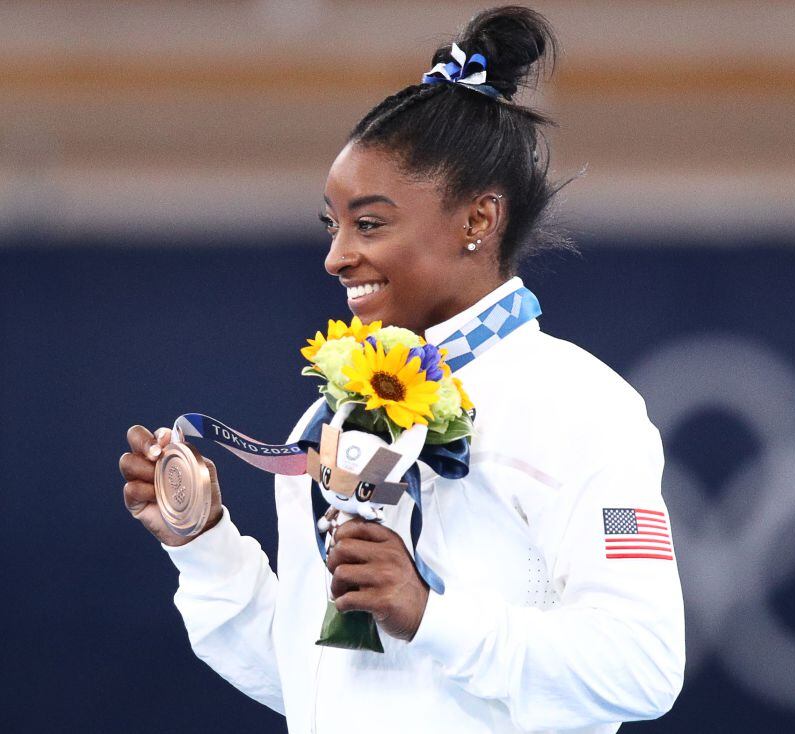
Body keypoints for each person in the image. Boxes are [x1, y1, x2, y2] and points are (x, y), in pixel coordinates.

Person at [118, 6, 684, 732]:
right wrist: (203, 545)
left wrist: (429, 615)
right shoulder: (335, 415)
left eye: (371, 224)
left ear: (478, 221)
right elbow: (318, 682)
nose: (336, 255)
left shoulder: (577, 403)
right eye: (334, 224)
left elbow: (644, 665)